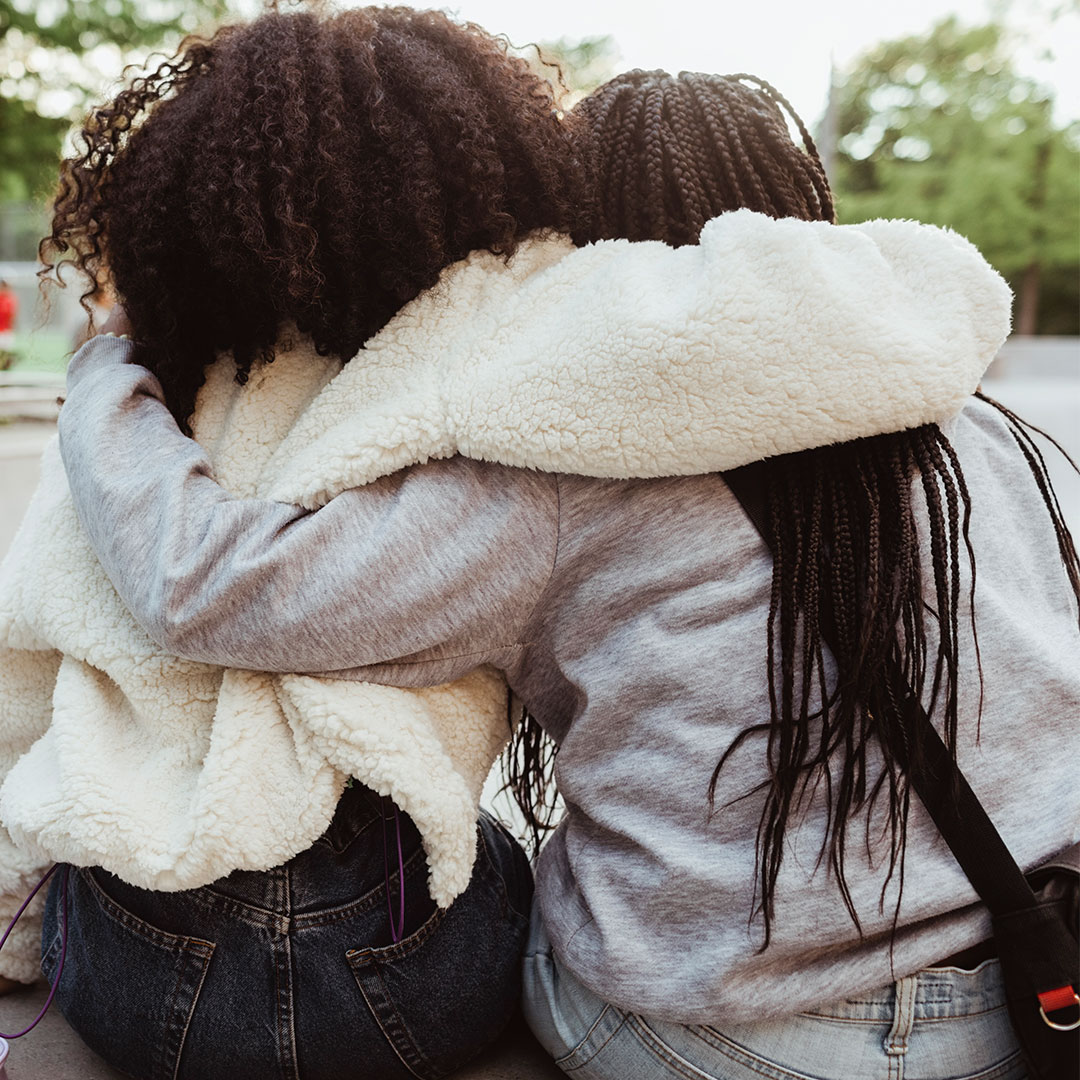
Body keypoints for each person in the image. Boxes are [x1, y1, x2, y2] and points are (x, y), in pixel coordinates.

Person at [0, 26, 1040, 1080]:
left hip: (721, 1035)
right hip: (1022, 985)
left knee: (500, 881)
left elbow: (211, 583)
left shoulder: (558, 465)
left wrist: (104, 371)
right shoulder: (985, 430)